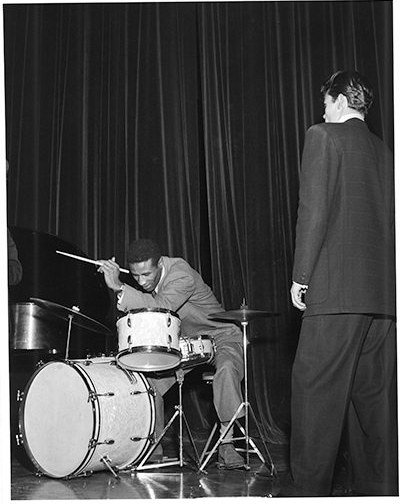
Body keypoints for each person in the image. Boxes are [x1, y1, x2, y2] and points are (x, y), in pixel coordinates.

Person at [280, 71, 397, 496]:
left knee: (314, 393)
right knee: (375, 406)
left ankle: (307, 493)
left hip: (336, 290)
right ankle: (381, 492)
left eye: (327, 102)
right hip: (383, 297)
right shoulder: (386, 153)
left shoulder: (323, 136)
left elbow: (313, 210)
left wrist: (301, 277)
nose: (323, 110)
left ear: (342, 101)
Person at [98, 238, 246, 468]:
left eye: (147, 274)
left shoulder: (181, 273)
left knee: (226, 370)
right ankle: (152, 448)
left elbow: (161, 306)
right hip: (184, 345)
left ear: (160, 264)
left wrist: (119, 286)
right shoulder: (147, 278)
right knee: (148, 385)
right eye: (136, 276)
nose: (141, 281)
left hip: (220, 337)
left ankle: (227, 445)